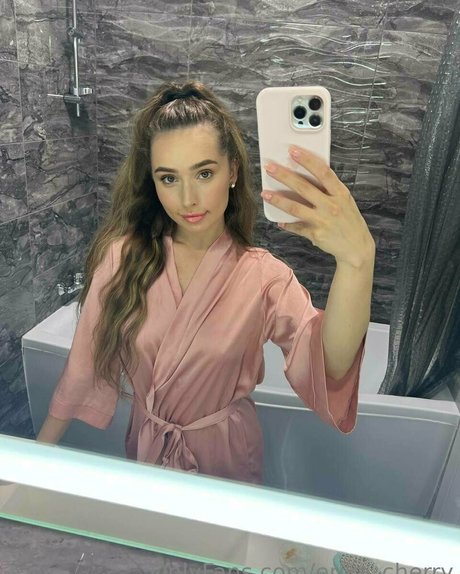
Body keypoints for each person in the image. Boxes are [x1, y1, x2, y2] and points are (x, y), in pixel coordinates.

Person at [37, 80, 374, 485]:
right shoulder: (123, 259)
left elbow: (330, 364)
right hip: (149, 448)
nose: (188, 199)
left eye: (204, 173)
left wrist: (357, 261)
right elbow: (83, 366)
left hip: (227, 456)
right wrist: (30, 466)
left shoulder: (264, 277)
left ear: (232, 171)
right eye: (169, 179)